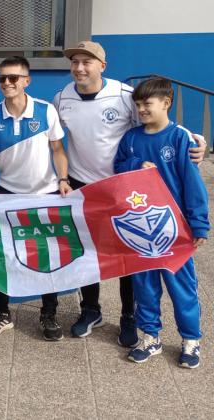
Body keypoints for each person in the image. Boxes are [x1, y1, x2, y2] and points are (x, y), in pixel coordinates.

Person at [54, 41, 207, 347]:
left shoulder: (125, 97)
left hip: (125, 189)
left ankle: (129, 317)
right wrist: (61, 177)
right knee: (88, 253)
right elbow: (56, 141)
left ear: (102, 66)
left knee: (130, 255)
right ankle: (90, 310)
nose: (80, 67)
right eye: (75, 62)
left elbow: (157, 127)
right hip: (85, 187)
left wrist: (194, 140)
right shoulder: (61, 98)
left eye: (87, 62)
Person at [0, 56, 70, 341]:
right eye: (1, 78)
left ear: (27, 80)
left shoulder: (46, 110)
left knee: (48, 255)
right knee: (2, 255)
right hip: (6, 193)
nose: (7, 83)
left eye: (13, 78)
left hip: (45, 194)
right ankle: (2, 312)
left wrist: (63, 180)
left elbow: (58, 150)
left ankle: (48, 314)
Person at [113, 77, 209, 368]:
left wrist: (199, 223)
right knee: (145, 286)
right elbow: (117, 169)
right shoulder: (131, 139)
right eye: (138, 104)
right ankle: (150, 337)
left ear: (166, 103)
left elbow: (193, 184)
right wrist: (135, 166)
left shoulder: (179, 138)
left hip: (175, 229)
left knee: (182, 286)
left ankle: (191, 341)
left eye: (147, 103)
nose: (142, 109)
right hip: (141, 228)